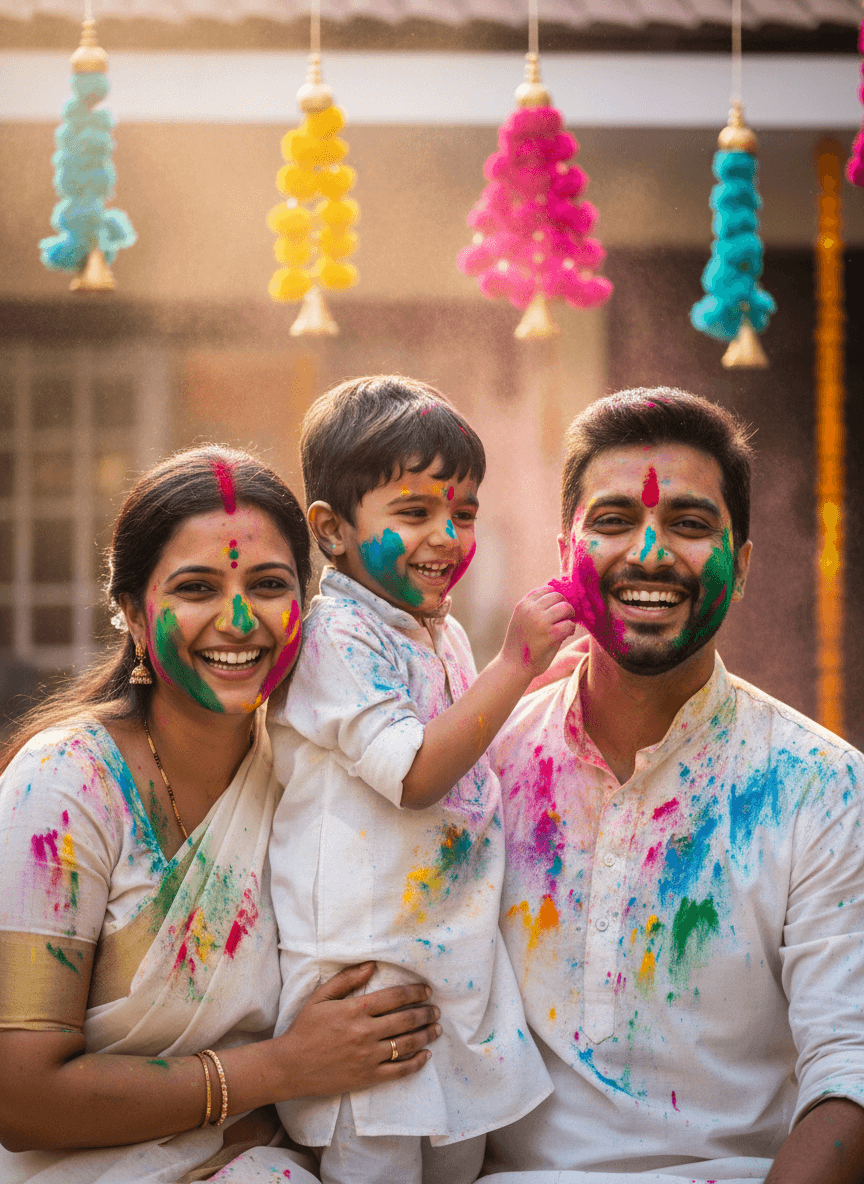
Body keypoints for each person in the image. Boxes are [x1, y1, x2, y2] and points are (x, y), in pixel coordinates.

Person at [0, 445, 441, 1184]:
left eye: (269, 585)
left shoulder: (307, 774)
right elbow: (18, 1095)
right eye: (198, 587)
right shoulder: (65, 785)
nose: (240, 620)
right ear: (136, 616)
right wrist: (282, 1069)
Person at [482, 388, 864, 1184]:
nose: (649, 554)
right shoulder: (483, 772)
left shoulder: (822, 788)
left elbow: (849, 1078)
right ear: (565, 556)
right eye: (614, 522)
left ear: (745, 563)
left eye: (689, 526)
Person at [267, 377, 576, 1184]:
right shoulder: (334, 635)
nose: (447, 535)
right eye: (415, 513)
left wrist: (544, 687)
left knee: (458, 1170)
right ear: (331, 531)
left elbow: (462, 746)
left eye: (464, 513)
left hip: (445, 972)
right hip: (364, 991)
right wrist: (517, 662)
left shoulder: (434, 634)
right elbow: (413, 774)